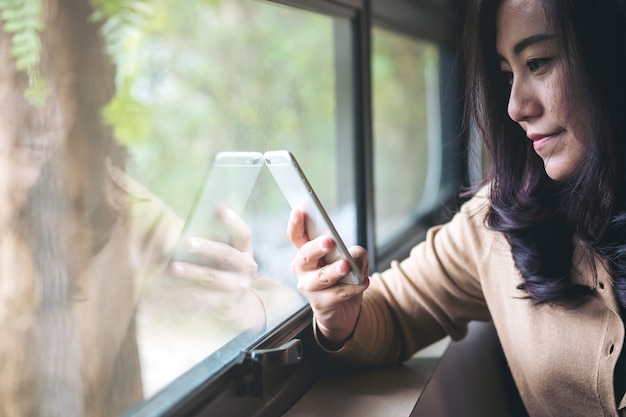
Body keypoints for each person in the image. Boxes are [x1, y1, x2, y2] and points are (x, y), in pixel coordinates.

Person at [287, 0, 626, 416]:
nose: (515, 107)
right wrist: (337, 311)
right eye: (507, 74)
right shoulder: (500, 221)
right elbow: (390, 314)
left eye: (537, 63)